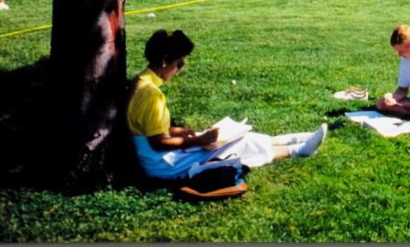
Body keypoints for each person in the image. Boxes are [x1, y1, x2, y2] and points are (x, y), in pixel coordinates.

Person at [127, 29, 326, 180]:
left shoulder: (142, 82)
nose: (179, 70)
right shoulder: (151, 93)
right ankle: (299, 149)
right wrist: (199, 140)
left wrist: (183, 132)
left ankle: (297, 138)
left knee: (235, 138)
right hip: (163, 164)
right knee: (239, 144)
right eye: (179, 64)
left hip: (160, 156)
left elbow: (152, 128)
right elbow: (158, 142)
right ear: (164, 61)